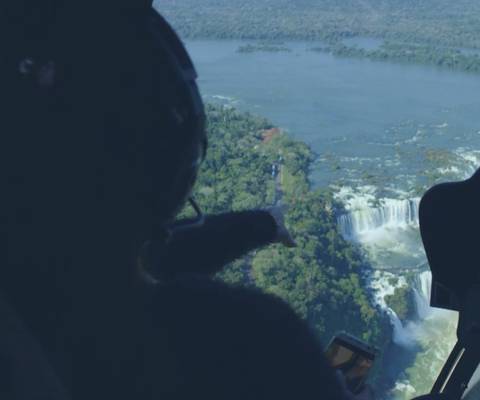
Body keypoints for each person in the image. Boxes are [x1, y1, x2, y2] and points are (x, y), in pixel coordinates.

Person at [1, 2, 368, 399]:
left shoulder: (30, 318)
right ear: (170, 164)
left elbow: (150, 257)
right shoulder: (248, 339)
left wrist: (263, 224)